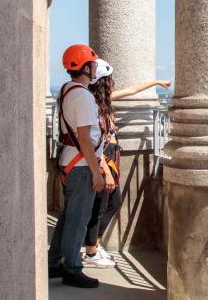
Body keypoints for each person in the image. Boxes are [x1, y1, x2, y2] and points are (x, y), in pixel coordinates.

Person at [80, 60, 171, 269]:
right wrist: (105, 171)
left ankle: (94, 244)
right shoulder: (92, 105)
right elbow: (94, 141)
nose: (113, 82)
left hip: (109, 154)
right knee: (100, 206)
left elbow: (132, 90)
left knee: (112, 201)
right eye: (110, 79)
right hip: (102, 157)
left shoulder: (103, 101)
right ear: (102, 81)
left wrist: (157, 82)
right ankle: (91, 251)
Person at [47, 44, 105, 289]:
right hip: (81, 166)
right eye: (92, 65)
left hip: (70, 162)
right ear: (85, 67)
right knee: (78, 220)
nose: (95, 69)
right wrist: (96, 172)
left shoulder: (66, 90)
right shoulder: (82, 95)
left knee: (68, 217)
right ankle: (72, 268)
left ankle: (54, 262)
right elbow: (84, 138)